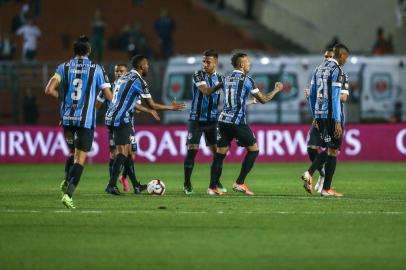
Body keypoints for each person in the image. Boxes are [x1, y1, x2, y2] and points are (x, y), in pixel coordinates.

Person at [44, 35, 112, 208]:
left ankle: (66, 180)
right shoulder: (96, 68)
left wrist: (63, 99)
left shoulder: (63, 67)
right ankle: (68, 194)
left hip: (66, 119)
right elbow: (108, 95)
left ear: (74, 51)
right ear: (89, 51)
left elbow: (48, 90)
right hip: (85, 120)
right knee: (80, 159)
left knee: (72, 153)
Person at [104, 54, 185, 195]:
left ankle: (135, 185)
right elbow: (152, 103)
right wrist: (171, 107)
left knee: (127, 152)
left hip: (111, 116)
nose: (148, 66)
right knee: (122, 153)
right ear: (141, 66)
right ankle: (111, 185)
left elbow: (128, 100)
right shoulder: (139, 81)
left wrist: (148, 111)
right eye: (147, 64)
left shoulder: (124, 77)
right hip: (122, 118)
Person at [209, 52, 283, 195]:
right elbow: (264, 99)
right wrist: (276, 89)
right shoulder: (247, 80)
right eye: (247, 62)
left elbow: (220, 95)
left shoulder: (225, 78)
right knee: (253, 150)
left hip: (222, 121)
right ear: (242, 64)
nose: (249, 64)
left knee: (220, 154)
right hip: (237, 122)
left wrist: (247, 102)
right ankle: (239, 183)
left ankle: (212, 187)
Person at [96, 63, 160, 192]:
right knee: (115, 154)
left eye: (121, 71)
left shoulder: (132, 85)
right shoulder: (107, 88)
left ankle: (130, 183)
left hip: (128, 124)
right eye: (116, 71)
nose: (119, 73)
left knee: (130, 155)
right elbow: (97, 106)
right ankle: (113, 183)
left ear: (127, 73)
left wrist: (141, 108)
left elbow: (137, 109)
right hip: (115, 123)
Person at [302, 48, 349, 193]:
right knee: (333, 151)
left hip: (320, 115)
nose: (346, 60)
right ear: (341, 55)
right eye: (346, 57)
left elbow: (312, 95)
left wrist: (315, 115)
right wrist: (337, 121)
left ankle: (317, 179)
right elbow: (336, 97)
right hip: (332, 116)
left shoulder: (318, 70)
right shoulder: (339, 72)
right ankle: (325, 187)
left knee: (329, 149)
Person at [183, 49, 224, 195]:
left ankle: (215, 181)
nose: (205, 64)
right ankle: (187, 183)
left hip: (212, 121)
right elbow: (206, 91)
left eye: (208, 62)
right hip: (196, 120)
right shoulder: (198, 74)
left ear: (215, 63)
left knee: (218, 153)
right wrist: (222, 85)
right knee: (192, 151)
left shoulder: (220, 77)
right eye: (203, 61)